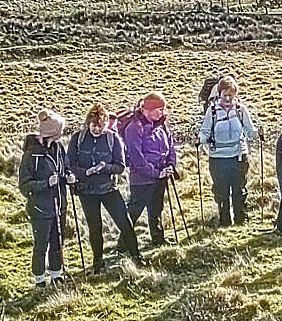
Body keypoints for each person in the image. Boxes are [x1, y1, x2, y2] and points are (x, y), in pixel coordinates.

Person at [66, 102, 142, 273]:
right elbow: (70, 165)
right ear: (88, 123)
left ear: (106, 124)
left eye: (101, 126)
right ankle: (98, 262)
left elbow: (120, 166)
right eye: (94, 125)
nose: (97, 129)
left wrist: (104, 167)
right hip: (86, 190)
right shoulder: (77, 139)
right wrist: (86, 172)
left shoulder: (113, 139)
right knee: (95, 227)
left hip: (109, 189)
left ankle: (136, 255)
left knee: (125, 223)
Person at [199, 75, 260, 227]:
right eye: (224, 95)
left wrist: (259, 133)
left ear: (235, 95)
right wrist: (199, 139)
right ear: (219, 94)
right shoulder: (212, 111)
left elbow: (250, 130)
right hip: (218, 157)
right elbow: (205, 131)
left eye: (230, 95)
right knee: (221, 191)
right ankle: (224, 221)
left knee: (239, 189)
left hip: (239, 155)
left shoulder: (241, 110)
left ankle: (241, 220)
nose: (227, 98)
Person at [18, 109, 68, 288]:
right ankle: (39, 279)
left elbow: (65, 166)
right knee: (41, 245)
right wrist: (45, 183)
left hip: (59, 205)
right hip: (40, 208)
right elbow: (24, 186)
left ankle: (56, 274)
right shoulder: (31, 155)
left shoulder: (59, 148)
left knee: (57, 242)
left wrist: (68, 176)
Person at [124, 91, 177, 246]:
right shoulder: (134, 128)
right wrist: (155, 173)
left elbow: (171, 147)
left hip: (160, 176)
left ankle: (158, 240)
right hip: (141, 180)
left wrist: (170, 165)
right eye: (160, 109)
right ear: (149, 109)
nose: (163, 112)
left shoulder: (162, 126)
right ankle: (124, 244)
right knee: (134, 212)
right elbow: (136, 157)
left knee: (156, 209)